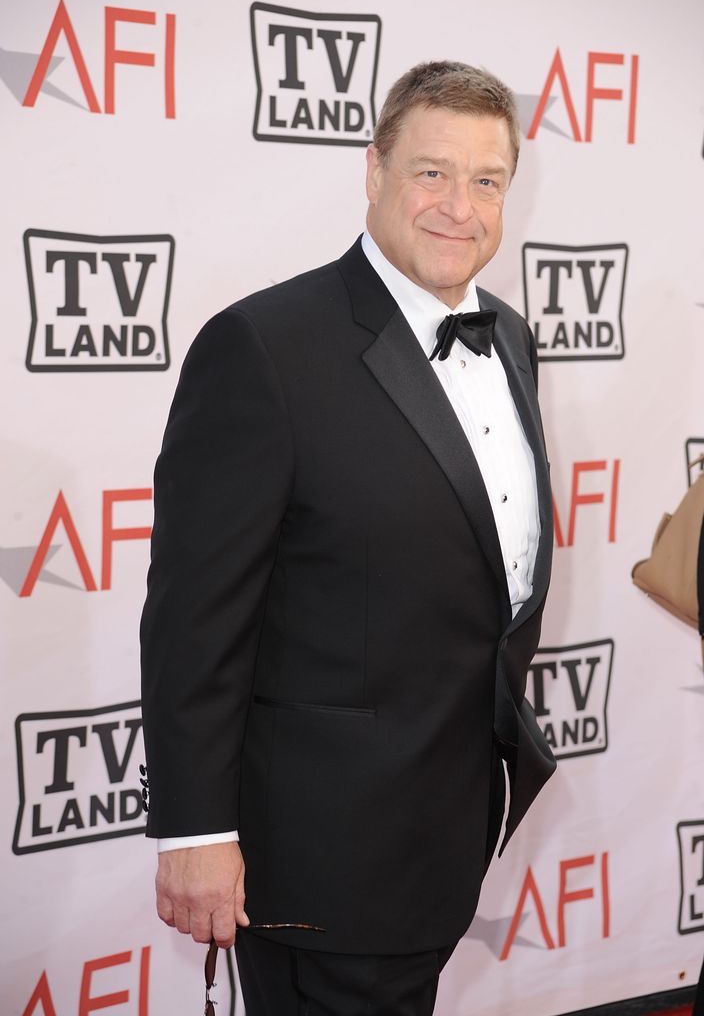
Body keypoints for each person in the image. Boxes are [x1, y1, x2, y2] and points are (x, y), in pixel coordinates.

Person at [140, 59, 557, 1016]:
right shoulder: (264, 349)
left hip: (446, 833)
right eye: (431, 172)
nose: (460, 205)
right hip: (320, 854)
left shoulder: (512, 337)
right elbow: (194, 616)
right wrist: (195, 833)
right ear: (373, 170)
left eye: (486, 180)